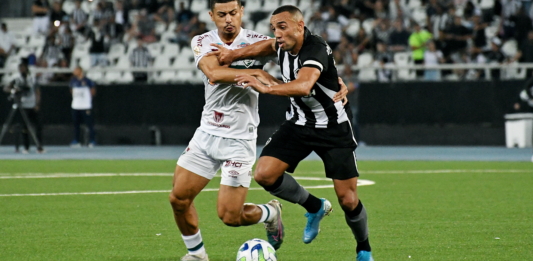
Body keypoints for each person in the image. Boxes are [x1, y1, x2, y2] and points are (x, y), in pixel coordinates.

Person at [169, 1, 348, 261]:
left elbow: (306, 57)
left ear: (242, 11)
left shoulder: (262, 41)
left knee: (230, 217)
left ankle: (270, 213)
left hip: (239, 140)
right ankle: (197, 255)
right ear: (211, 16)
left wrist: (335, 81)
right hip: (206, 133)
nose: (228, 19)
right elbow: (214, 72)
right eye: (221, 15)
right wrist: (255, 73)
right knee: (178, 199)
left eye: (233, 13)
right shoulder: (203, 41)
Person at [208, 5, 373, 261]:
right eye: (274, 29)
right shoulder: (281, 45)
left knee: (349, 199)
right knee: (264, 174)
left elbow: (304, 85)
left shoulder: (315, 48)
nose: (277, 34)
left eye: (282, 27)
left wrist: (264, 87)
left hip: (332, 126)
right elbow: (266, 47)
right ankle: (315, 207)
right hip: (299, 122)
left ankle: (364, 248)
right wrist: (234, 54)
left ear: (300, 25)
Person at [2, 63, 44, 154]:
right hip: (23, 106)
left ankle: (39, 146)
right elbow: (6, 88)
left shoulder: (32, 79)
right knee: (24, 127)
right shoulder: (17, 79)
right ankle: (26, 147)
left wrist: (37, 104)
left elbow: (37, 92)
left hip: (32, 105)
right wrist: (13, 90)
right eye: (20, 69)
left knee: (38, 126)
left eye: (23, 68)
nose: (22, 70)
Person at [69, 66, 96, 148]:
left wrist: (88, 99)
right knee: (76, 124)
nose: (74, 72)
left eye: (76, 70)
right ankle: (77, 141)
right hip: (76, 105)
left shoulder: (87, 81)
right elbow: (71, 90)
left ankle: (92, 140)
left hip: (85, 106)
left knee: (89, 124)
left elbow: (93, 90)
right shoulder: (73, 81)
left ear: (80, 71)